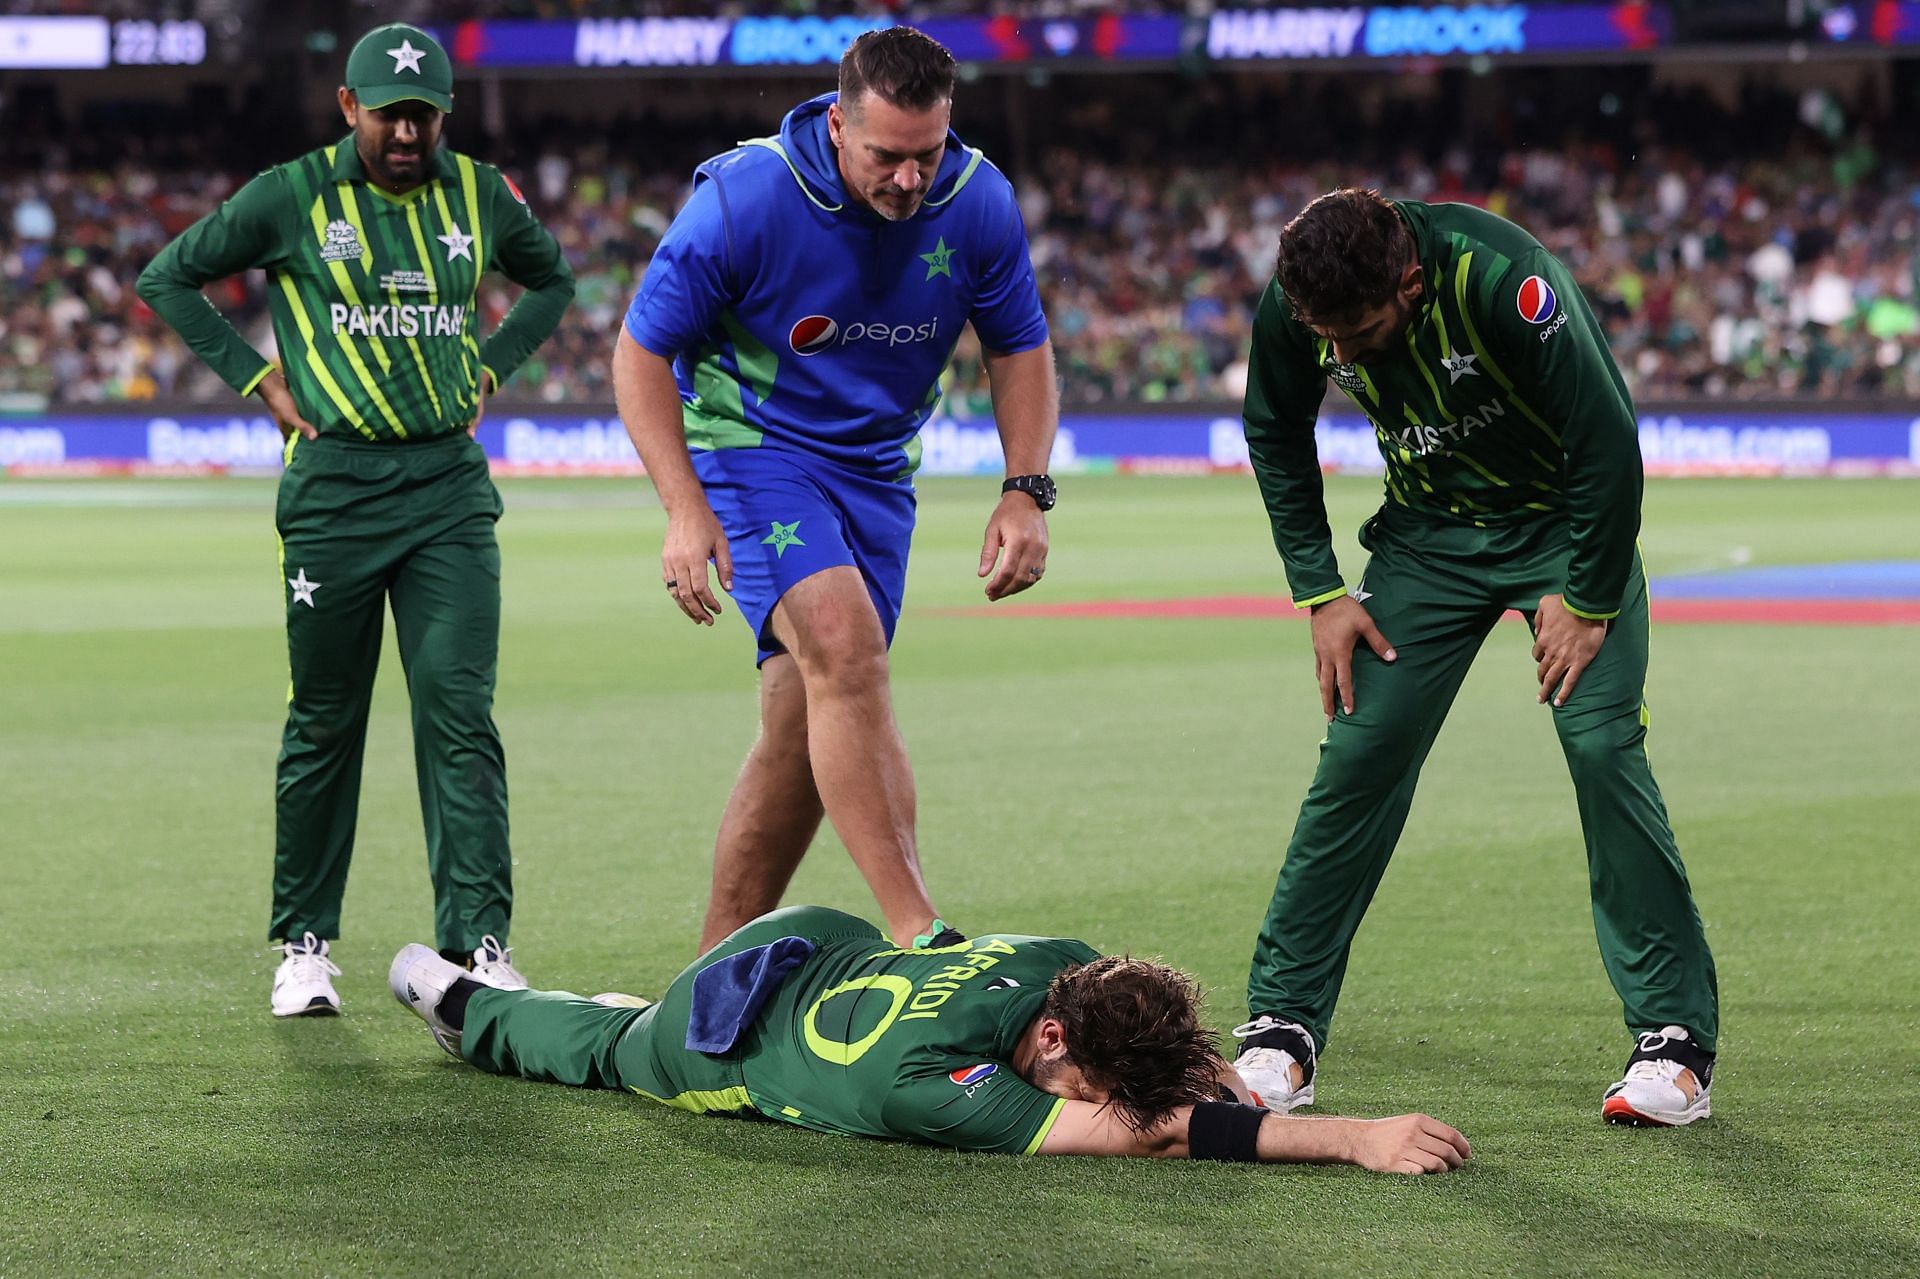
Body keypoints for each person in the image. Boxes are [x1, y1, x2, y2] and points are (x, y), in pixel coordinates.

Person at [1232, 188, 1720, 1127]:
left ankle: (1674, 1043)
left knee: (1601, 747)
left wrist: (1587, 598)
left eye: (1361, 331)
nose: (1337, 355)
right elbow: (1274, 428)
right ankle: (1281, 1028)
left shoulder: (1502, 277)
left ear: (1410, 282)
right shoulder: (1302, 300)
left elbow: (1608, 437)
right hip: (1425, 542)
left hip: (1563, 533)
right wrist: (1321, 591)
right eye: (1322, 334)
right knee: (1359, 752)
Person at [136, 23, 575, 1016]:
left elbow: (552, 281)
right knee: (325, 719)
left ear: (446, 113)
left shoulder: (481, 193)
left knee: (459, 717)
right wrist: (255, 376)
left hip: (448, 494)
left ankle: (481, 944)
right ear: (348, 108)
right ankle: (304, 943)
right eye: (390, 113)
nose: (409, 132)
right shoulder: (292, 193)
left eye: (424, 114)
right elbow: (168, 274)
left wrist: (492, 368)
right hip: (333, 490)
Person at [611, 27, 1059, 956]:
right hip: (751, 446)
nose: (908, 181)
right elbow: (640, 350)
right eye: (886, 157)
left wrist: (1025, 489)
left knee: (802, 729)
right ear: (835, 121)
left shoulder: (978, 202)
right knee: (846, 649)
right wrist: (684, 506)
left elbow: (1019, 343)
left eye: (926, 155)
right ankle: (922, 929)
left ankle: (709, 979)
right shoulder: (746, 197)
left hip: (878, 476)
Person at [388, 905, 1470, 1172]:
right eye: (1087, 1081)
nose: (1093, 1100)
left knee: (615, 1019)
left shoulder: (1065, 961)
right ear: (1053, 1034)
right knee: (601, 1052)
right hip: (714, 1039)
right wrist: (1351, 1136)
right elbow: (1151, 1134)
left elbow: (1170, 1070)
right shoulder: (933, 1089)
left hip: (816, 938)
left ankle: (581, 1002)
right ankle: (462, 1001)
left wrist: (1214, 1072)